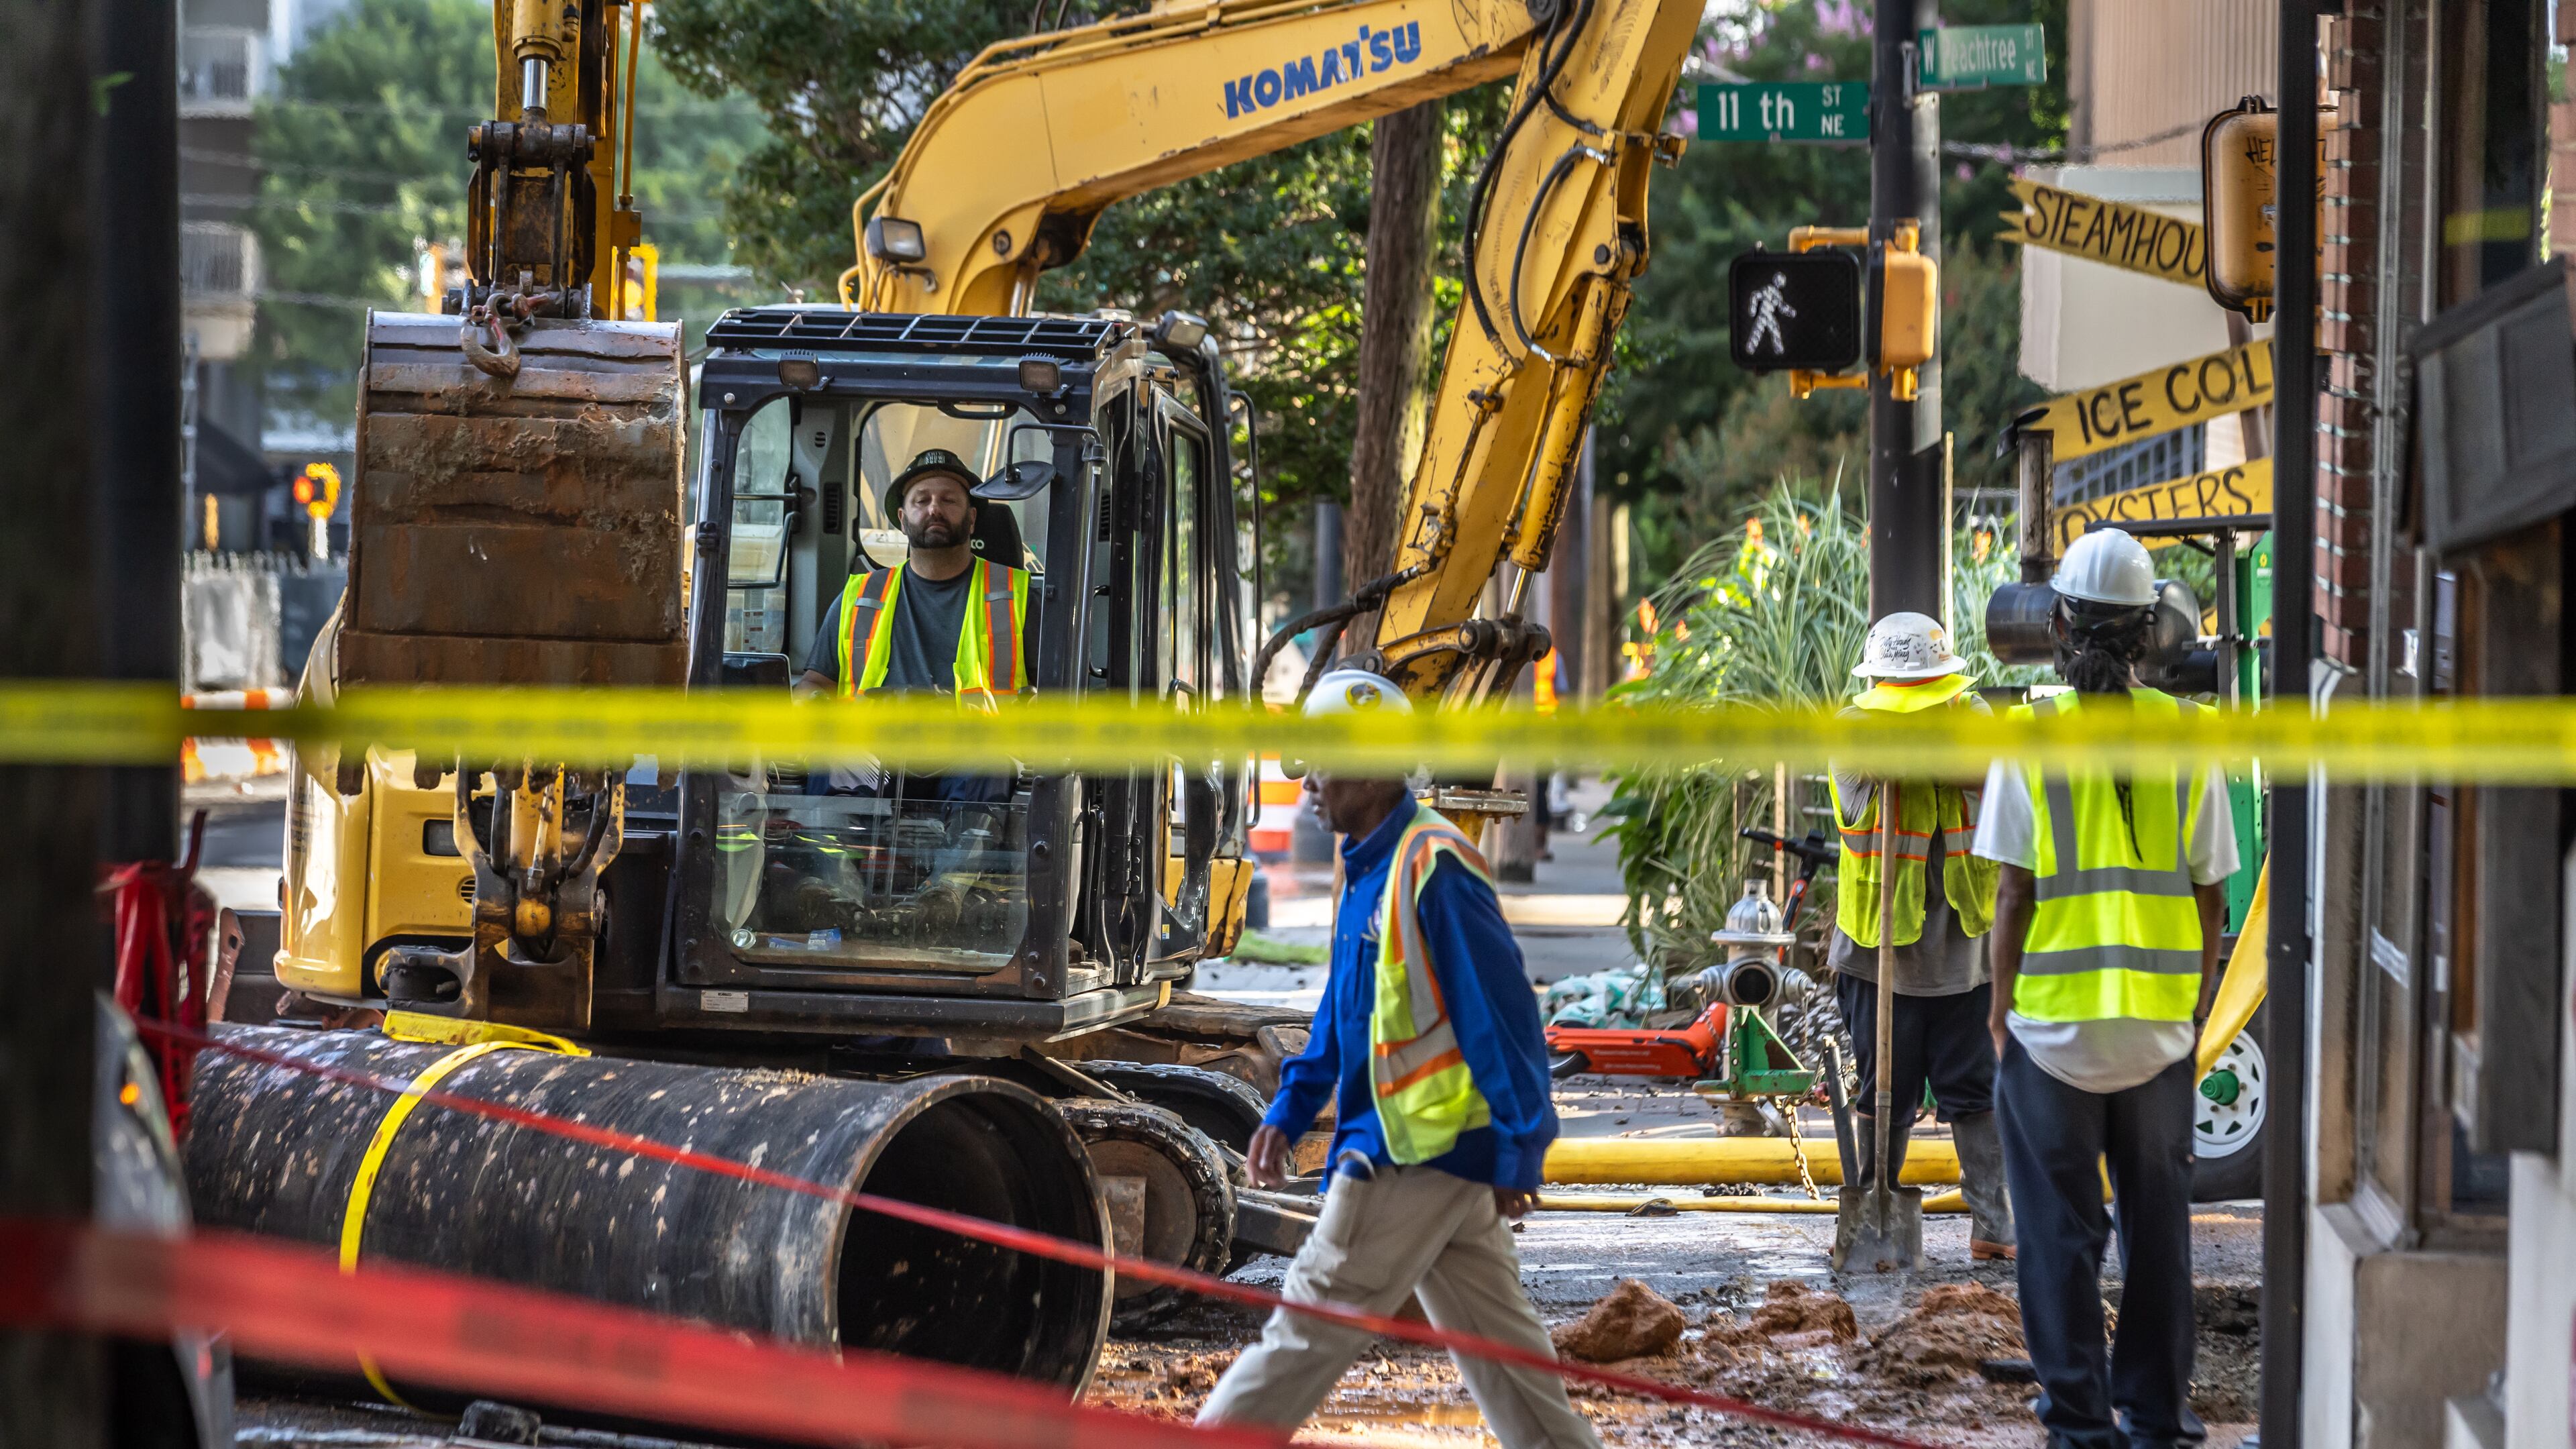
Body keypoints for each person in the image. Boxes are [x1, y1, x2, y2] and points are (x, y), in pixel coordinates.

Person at [1199, 670, 1599, 1449]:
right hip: (1443, 1155)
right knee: (1509, 1359)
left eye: (1323, 762)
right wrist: (1289, 1107)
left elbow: (1505, 1019)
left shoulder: (1435, 868)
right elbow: (1344, 1011)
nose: (1309, 783)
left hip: (1404, 1157)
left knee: (1304, 1332)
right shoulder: (1371, 861)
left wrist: (1522, 1150)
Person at [1972, 527, 2233, 1449]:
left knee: (2058, 1240)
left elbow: (2013, 894)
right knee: (2158, 1238)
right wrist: (2193, 1008)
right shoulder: (2192, 737)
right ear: (2149, 630)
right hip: (2158, 1037)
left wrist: (2001, 1016)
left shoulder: (2030, 738)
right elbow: (2212, 898)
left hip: (2054, 1037)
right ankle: (2158, 1418)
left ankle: (2080, 1424)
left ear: (2062, 623)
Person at [1826, 611, 2016, 1260]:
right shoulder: (1854, 729)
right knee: (1887, 1087)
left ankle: (1994, 1223)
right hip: (1881, 949)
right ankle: (1875, 1204)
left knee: (1974, 1086)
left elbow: (1989, 773)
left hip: (1965, 943)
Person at [794, 447, 1039, 801]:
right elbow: (816, 682)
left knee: (990, 765)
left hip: (977, 748)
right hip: (874, 748)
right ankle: (838, 856)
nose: (934, 509)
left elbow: (1054, 692)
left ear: (971, 520)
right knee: (834, 762)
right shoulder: (859, 596)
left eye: (948, 501)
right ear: (903, 518)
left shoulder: (1017, 597)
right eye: (921, 500)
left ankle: (966, 851)